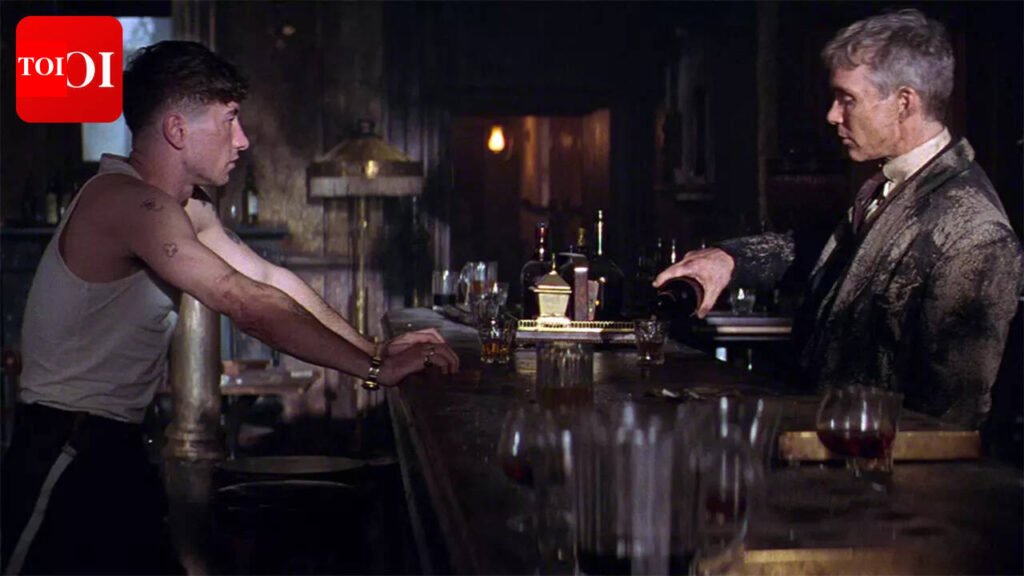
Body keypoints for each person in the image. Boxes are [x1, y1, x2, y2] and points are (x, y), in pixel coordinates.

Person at [1, 40, 458, 574]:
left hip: (116, 447)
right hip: (64, 450)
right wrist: (374, 369)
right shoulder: (126, 203)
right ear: (177, 130)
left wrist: (375, 350)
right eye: (230, 119)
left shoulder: (185, 208)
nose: (242, 140)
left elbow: (267, 278)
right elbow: (241, 300)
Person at [655, 9, 1022, 428]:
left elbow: (949, 427)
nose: (832, 114)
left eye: (847, 99)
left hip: (867, 464)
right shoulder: (894, 185)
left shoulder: (974, 232)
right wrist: (729, 260)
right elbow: (815, 248)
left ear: (904, 103)